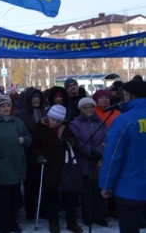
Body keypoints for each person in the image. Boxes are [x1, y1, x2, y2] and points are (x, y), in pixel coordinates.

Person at [99, 80, 146, 233]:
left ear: (130, 96)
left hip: (129, 188)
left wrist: (106, 184)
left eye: (124, 95)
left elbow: (113, 157)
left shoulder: (123, 121)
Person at [0, 95, 31, 233]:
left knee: (15, 198)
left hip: (17, 165)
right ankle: (3, 226)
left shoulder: (17, 122)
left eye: (8, 105)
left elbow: (28, 138)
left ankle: (13, 223)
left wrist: (23, 140)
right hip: (1, 167)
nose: (6, 108)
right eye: (3, 106)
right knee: (3, 199)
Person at [31, 105, 82, 233]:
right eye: (53, 119)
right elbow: (34, 146)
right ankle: (53, 222)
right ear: (48, 117)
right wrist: (40, 156)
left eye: (58, 121)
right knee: (52, 194)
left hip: (65, 165)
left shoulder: (66, 127)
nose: (55, 123)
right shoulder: (39, 127)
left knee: (70, 194)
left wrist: (69, 142)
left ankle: (72, 222)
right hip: (49, 165)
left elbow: (73, 140)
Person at [69, 97, 108, 227]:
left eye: (91, 106)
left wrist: (99, 151)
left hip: (99, 160)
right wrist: (89, 152)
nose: (89, 109)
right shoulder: (75, 123)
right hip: (85, 161)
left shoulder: (100, 122)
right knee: (87, 190)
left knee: (99, 189)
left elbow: (107, 137)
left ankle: (100, 215)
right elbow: (78, 141)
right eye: (86, 107)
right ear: (81, 109)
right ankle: (88, 216)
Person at [16, 87, 45, 220]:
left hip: (44, 151)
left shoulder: (43, 112)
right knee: (30, 184)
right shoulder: (21, 114)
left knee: (43, 182)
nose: (37, 99)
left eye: (39, 97)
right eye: (34, 97)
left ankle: (42, 208)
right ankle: (30, 210)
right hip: (28, 153)